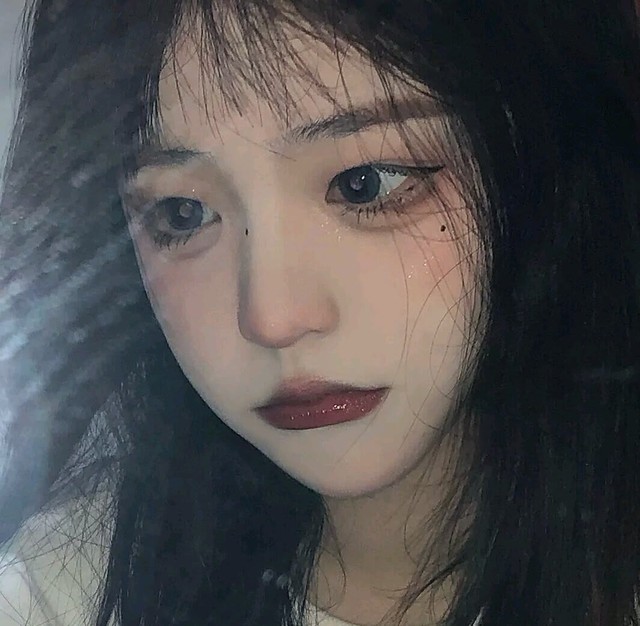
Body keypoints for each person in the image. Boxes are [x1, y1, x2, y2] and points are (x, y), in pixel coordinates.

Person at [0, 0, 639, 624]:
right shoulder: (55, 594)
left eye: (365, 183)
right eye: (182, 214)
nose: (272, 319)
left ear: (539, 157)